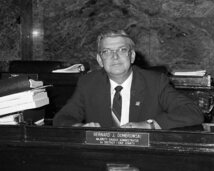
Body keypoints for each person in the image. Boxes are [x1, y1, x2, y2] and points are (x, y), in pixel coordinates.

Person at [53, 29, 204, 129]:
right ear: (100, 60)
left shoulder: (155, 82)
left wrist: (150, 125)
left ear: (132, 56)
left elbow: (192, 112)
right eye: (107, 52)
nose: (115, 57)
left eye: (122, 50)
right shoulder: (88, 83)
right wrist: (78, 128)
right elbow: (63, 117)